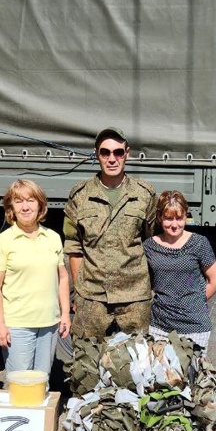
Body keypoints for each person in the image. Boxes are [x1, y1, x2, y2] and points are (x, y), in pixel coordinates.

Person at [63, 127, 158, 339]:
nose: (112, 158)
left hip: (134, 295)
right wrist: (80, 294)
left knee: (135, 365)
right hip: (92, 295)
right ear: (97, 154)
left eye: (118, 152)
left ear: (127, 154)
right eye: (105, 152)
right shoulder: (80, 195)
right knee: (86, 364)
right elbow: (74, 247)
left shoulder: (144, 194)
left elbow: (150, 241)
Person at [0, 179, 71, 375]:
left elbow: (63, 278)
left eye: (31, 200)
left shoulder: (53, 237)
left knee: (42, 380)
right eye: (18, 201)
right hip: (18, 324)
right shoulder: (3, 241)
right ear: (11, 207)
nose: (25, 207)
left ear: (40, 204)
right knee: (20, 382)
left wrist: (65, 313)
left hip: (49, 324)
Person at [143, 191, 216, 350]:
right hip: (160, 327)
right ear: (160, 218)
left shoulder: (199, 243)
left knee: (190, 373)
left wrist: (194, 303)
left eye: (179, 218)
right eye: (168, 218)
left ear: (186, 216)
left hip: (194, 327)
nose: (174, 224)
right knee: (161, 373)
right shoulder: (149, 246)